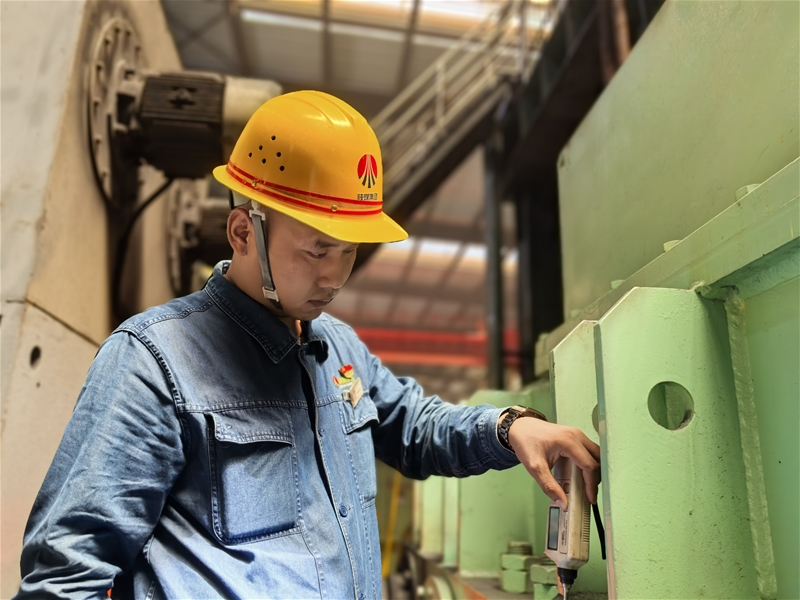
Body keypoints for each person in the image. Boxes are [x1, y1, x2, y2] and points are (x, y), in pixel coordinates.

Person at [16, 91, 600, 599]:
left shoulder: (339, 349)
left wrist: (509, 427)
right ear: (243, 232)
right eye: (318, 249)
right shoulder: (153, 362)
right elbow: (66, 574)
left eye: (349, 252)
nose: (335, 276)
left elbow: (414, 426)